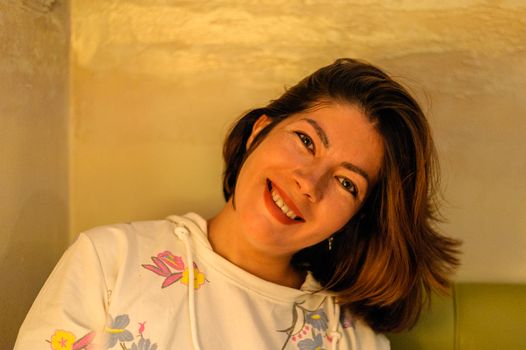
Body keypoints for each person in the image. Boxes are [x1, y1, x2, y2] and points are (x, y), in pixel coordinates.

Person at [15, 58, 460, 350]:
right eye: (306, 141)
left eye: (346, 182)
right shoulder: (108, 261)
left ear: (354, 218)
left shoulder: (352, 341)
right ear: (258, 132)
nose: (309, 182)